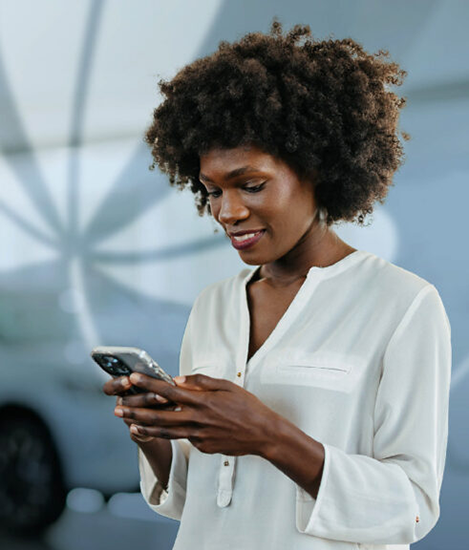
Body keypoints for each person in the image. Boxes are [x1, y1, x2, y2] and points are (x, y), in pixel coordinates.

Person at [103, 20, 451, 550]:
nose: (228, 212)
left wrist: (268, 435)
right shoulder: (214, 305)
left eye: (251, 185)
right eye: (212, 191)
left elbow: (412, 507)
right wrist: (154, 434)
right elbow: (190, 496)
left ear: (319, 168)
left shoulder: (403, 305)